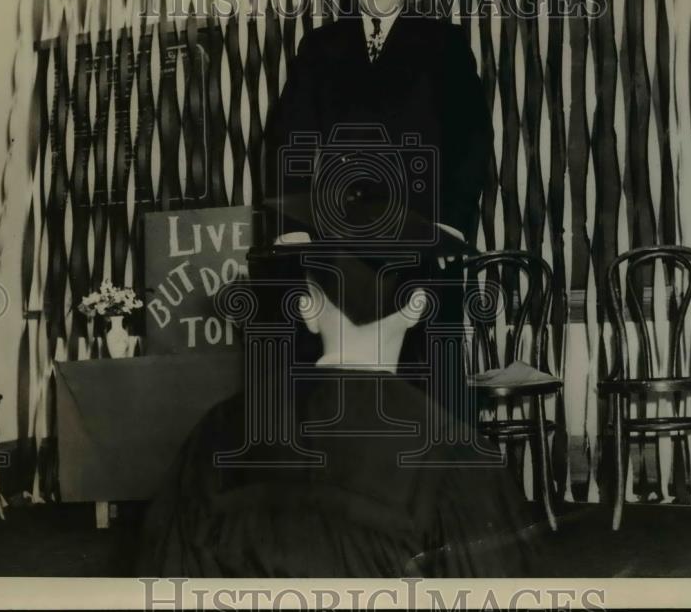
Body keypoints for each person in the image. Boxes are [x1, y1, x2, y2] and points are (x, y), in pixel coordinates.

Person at [135, 198, 532, 578]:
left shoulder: (216, 434)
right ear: (417, 307)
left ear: (306, 306)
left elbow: (163, 581)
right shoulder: (456, 455)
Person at [261, 0, 493, 421]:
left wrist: (451, 223)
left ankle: (435, 500)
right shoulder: (320, 48)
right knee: (334, 396)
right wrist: (293, 227)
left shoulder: (444, 45)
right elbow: (287, 141)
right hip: (337, 248)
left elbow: (472, 142)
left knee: (429, 392)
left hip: (423, 242)